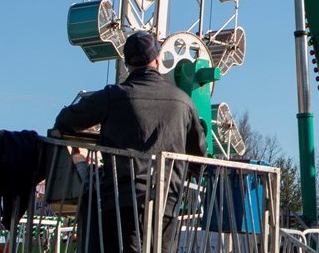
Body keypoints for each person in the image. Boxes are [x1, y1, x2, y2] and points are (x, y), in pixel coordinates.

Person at [53, 32, 205, 253]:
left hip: (122, 201)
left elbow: (65, 120)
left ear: (127, 64)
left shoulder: (113, 96)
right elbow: (199, 158)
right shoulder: (183, 101)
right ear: (158, 58)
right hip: (168, 204)